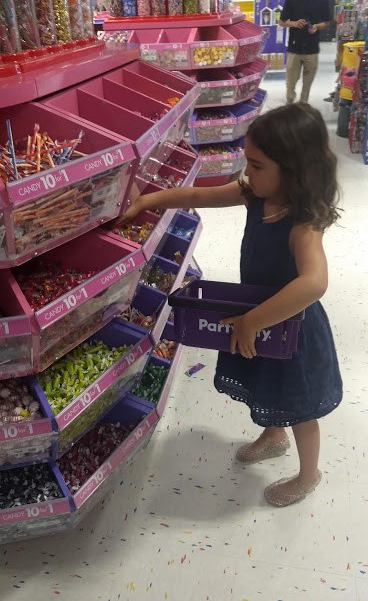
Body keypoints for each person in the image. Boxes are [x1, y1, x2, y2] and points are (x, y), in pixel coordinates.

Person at [116, 103, 343, 508]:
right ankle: (274, 435)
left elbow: (314, 283)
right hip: (256, 322)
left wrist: (253, 321)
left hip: (292, 329)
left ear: (292, 170)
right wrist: (146, 202)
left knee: (300, 406)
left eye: (256, 165)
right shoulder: (255, 195)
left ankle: (309, 474)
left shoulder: (302, 223)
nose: (247, 173)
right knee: (265, 385)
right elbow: (197, 193)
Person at [279, 0, 330, 104]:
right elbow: (281, 22)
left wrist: (316, 26)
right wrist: (294, 23)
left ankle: (302, 110)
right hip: (294, 49)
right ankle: (289, 107)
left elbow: (327, 23)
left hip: (312, 50)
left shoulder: (322, 0)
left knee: (306, 88)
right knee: (290, 85)